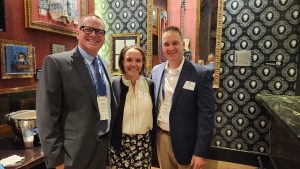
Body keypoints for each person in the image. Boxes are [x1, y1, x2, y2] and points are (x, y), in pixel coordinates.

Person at [36, 14, 117, 169]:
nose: (94, 34)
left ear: (104, 37)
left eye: (99, 31)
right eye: (88, 29)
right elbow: (46, 116)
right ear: (77, 32)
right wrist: (56, 160)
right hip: (72, 154)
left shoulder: (104, 64)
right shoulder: (56, 63)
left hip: (102, 148)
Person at [150, 26, 215, 169]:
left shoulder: (200, 74)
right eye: (166, 44)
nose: (170, 48)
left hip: (188, 142)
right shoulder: (155, 71)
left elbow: (207, 116)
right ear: (162, 46)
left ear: (182, 44)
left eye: (175, 43)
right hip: (161, 138)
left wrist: (201, 152)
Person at [109, 45, 155, 168]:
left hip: (143, 144)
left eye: (138, 60)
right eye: (129, 60)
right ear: (122, 61)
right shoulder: (114, 84)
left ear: (143, 63)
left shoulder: (149, 84)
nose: (134, 64)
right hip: (120, 144)